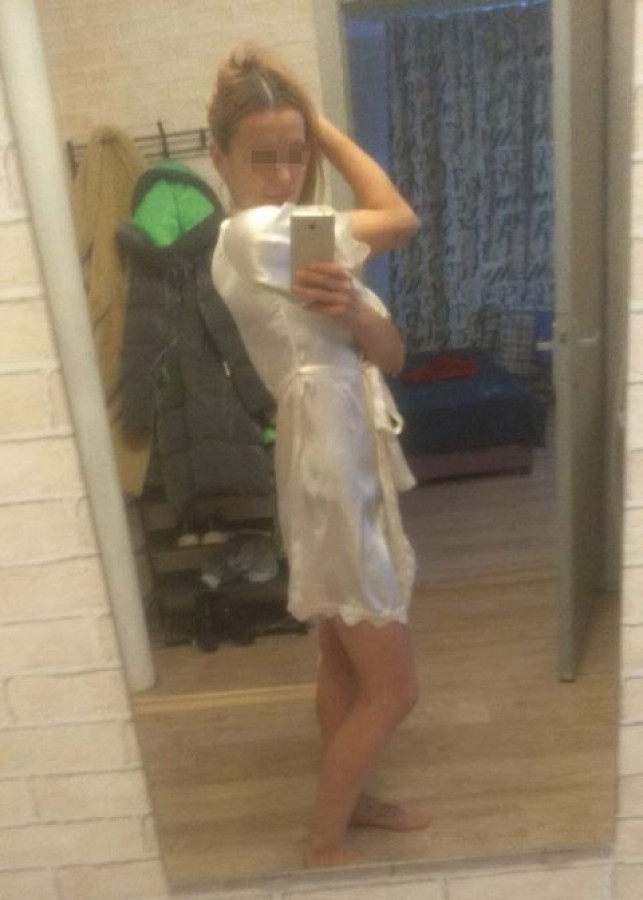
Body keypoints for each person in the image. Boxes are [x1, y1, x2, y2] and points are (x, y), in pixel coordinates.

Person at [207, 43, 429, 869]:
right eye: (261, 157)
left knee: (342, 656)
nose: (282, 174)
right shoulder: (256, 232)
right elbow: (398, 216)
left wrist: (360, 319)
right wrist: (317, 115)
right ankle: (322, 844)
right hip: (332, 467)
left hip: (341, 454)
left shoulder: (307, 243)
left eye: (295, 153)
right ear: (218, 159)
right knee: (394, 688)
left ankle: (348, 805)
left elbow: (390, 354)